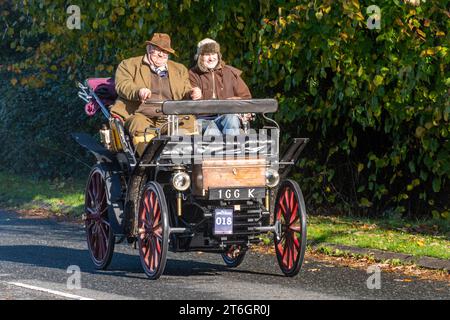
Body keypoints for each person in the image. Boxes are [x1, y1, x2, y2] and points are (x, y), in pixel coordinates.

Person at [110, 33, 195, 155]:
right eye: (157, 50)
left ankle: (182, 159)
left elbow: (185, 90)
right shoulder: (128, 65)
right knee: (138, 124)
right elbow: (123, 85)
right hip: (140, 114)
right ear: (149, 48)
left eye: (165, 52)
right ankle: (148, 165)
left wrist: (192, 93)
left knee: (189, 121)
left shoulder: (179, 69)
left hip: (171, 117)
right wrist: (138, 91)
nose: (161, 54)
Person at [189, 38, 252, 135]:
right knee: (212, 129)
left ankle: (232, 148)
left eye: (213, 54)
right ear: (199, 56)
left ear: (218, 55)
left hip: (225, 116)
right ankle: (218, 150)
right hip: (202, 119)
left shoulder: (229, 72)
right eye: (207, 54)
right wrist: (192, 93)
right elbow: (184, 96)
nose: (211, 58)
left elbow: (246, 97)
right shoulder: (192, 74)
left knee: (231, 119)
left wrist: (236, 100)